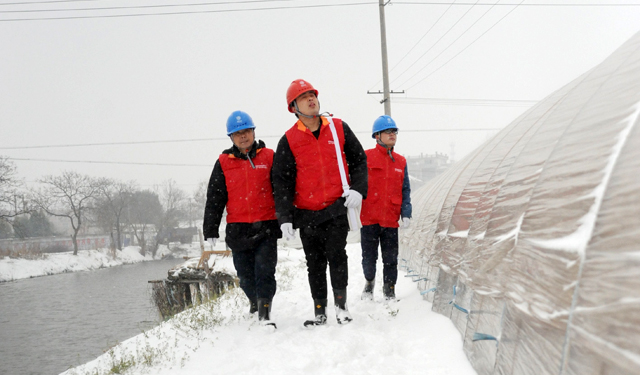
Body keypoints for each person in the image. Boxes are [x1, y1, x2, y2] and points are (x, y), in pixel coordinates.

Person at [272, 79, 368, 327]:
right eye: (304, 97)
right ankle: (319, 311)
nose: (311, 99)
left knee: (337, 256)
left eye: (312, 94)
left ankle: (341, 307)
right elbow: (281, 183)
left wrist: (358, 189)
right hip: (306, 214)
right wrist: (285, 219)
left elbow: (359, 161)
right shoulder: (289, 140)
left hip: (336, 208)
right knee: (314, 264)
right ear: (294, 107)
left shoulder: (337, 128)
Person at [203, 110, 281, 328]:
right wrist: (210, 229)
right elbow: (215, 198)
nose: (243, 136)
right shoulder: (223, 163)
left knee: (265, 271)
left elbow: (281, 190)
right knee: (245, 276)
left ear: (254, 132)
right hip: (238, 229)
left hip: (266, 225)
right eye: (237, 133)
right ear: (231, 137)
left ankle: (265, 314)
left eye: (246, 131)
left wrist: (287, 218)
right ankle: (255, 302)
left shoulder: (269, 156)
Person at [360, 115, 412, 301]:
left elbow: (405, 188)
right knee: (369, 259)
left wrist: (406, 212)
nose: (392, 134)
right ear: (377, 136)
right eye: (388, 131)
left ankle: (389, 290)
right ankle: (369, 282)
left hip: (391, 219)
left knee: (391, 259)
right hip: (369, 218)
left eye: (394, 131)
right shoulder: (365, 157)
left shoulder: (401, 161)